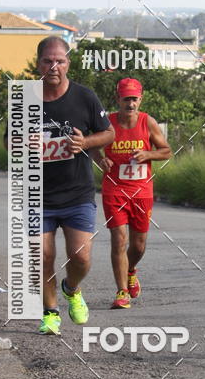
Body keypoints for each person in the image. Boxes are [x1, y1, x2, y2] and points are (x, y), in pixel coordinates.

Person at [36, 36, 114, 334]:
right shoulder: (25, 99)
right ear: (38, 63)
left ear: (68, 63)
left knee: (80, 257)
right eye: (48, 61)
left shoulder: (85, 96)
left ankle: (71, 288)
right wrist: (22, 143)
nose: (54, 66)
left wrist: (86, 142)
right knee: (42, 256)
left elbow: (109, 133)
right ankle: (50, 312)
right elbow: (8, 141)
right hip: (37, 195)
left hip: (77, 193)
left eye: (60, 61)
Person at [98, 77, 172, 309]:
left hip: (141, 191)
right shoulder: (107, 123)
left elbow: (166, 151)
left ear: (140, 99)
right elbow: (91, 146)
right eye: (126, 99)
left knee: (138, 245)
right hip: (114, 189)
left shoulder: (147, 122)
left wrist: (148, 154)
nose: (130, 104)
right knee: (119, 239)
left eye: (134, 99)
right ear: (117, 99)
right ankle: (121, 292)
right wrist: (101, 159)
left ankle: (130, 269)